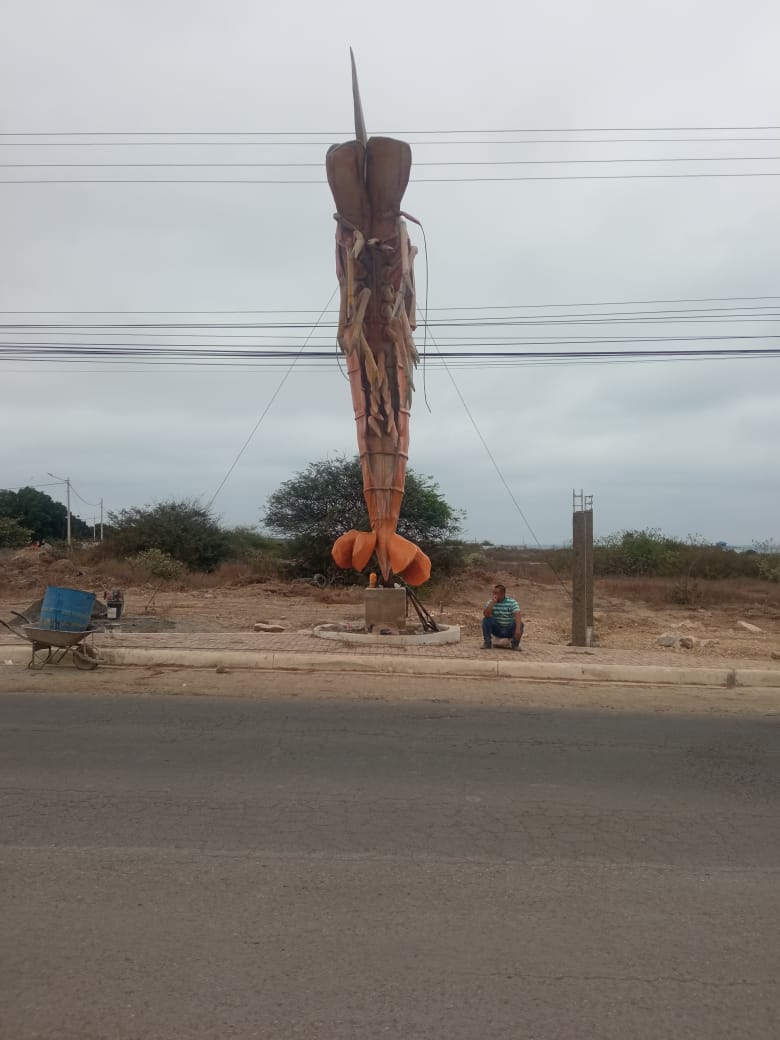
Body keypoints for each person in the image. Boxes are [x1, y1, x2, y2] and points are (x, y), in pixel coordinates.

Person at [482, 583, 524, 650]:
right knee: (486, 619)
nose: (494, 594)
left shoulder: (512, 602)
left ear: (502, 594)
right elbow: (486, 615)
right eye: (493, 592)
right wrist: (492, 603)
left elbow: (517, 615)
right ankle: (487, 643)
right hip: (497, 629)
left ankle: (515, 644)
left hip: (509, 629)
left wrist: (518, 630)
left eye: (496, 593)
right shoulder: (490, 602)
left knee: (519, 623)